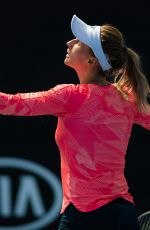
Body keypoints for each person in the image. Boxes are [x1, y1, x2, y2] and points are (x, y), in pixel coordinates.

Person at [0, 14, 149, 230]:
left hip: (83, 216)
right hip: (122, 214)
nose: (69, 42)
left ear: (92, 60)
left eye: (78, 41)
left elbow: (11, 103)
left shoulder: (70, 96)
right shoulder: (127, 99)